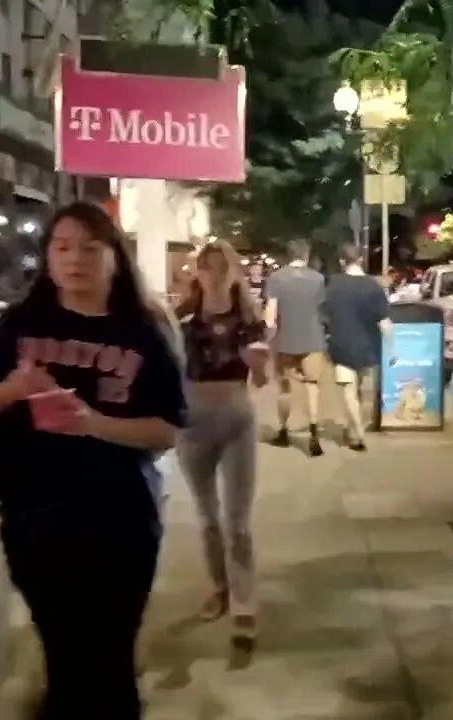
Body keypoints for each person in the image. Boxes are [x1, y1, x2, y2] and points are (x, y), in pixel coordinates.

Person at [0, 202, 185, 719]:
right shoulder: (21, 324)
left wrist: (92, 423)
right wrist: (13, 388)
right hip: (35, 517)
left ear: (115, 257)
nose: (74, 259)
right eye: (61, 247)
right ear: (46, 258)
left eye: (90, 247)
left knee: (109, 660)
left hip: (120, 519)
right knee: (63, 656)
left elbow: (167, 430)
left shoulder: (143, 333)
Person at [174, 240, 266, 648]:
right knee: (208, 517)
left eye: (222, 265)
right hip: (193, 421)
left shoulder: (249, 317)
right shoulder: (183, 318)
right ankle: (219, 589)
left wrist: (260, 366)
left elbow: (261, 378)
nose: (213, 273)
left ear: (234, 271)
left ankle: (244, 604)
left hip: (236, 419)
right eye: (206, 266)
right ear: (197, 271)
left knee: (238, 523)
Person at [323, 244, 392, 450]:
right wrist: (393, 348)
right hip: (367, 346)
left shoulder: (333, 285)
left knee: (348, 390)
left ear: (342, 262)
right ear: (361, 260)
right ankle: (353, 427)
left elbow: (324, 314)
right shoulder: (372, 286)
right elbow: (385, 323)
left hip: (341, 344)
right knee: (358, 387)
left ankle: (358, 433)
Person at [263, 239, 327, 456]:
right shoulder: (318, 279)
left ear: (288, 255)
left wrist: (269, 337)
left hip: (285, 341)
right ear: (306, 255)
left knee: (284, 388)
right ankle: (313, 435)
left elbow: (270, 315)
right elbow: (320, 309)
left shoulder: (277, 277)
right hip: (313, 340)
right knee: (312, 386)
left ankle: (282, 431)